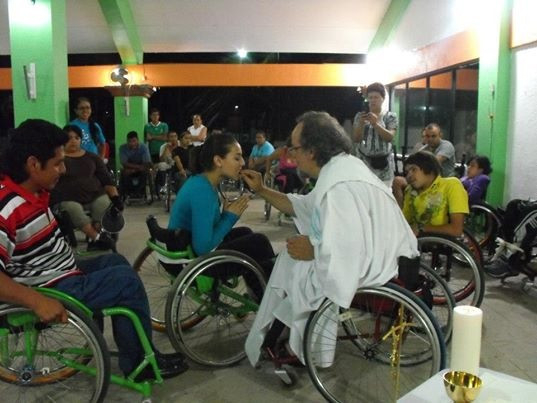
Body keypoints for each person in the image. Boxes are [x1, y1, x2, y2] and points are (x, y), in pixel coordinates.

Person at [0, 119, 187, 381]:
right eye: (57, 163)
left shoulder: (33, 191)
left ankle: (140, 353)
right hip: (48, 287)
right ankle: (139, 365)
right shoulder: (6, 209)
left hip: (60, 271)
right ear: (33, 164)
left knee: (116, 261)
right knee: (126, 282)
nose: (63, 169)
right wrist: (37, 301)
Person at [241, 111, 418, 366]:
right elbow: (301, 206)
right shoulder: (342, 168)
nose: (291, 154)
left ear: (312, 151)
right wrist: (261, 189)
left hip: (377, 266)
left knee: (295, 266)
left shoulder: (338, 185)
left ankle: (303, 347)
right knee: (289, 260)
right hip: (392, 257)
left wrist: (314, 250)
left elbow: (350, 245)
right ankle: (285, 334)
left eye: (294, 148)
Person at [168, 133, 276, 284]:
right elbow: (203, 248)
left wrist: (225, 215)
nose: (243, 163)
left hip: (187, 248)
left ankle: (260, 290)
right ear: (218, 161)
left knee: (246, 233)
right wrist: (229, 218)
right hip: (193, 264)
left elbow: (208, 227)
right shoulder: (203, 191)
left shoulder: (202, 182)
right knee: (260, 242)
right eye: (237, 158)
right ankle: (269, 293)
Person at [50, 125, 121, 251]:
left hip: (95, 195)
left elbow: (106, 179)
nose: (73, 141)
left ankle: (100, 235)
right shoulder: (57, 159)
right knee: (73, 209)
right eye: (69, 138)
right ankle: (97, 238)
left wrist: (116, 198)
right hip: (67, 199)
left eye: (77, 138)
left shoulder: (92, 157)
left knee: (103, 204)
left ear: (81, 140)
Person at [402, 151, 468, 237]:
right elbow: (404, 221)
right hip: (414, 240)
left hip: (440, 242)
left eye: (413, 169)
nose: (409, 176)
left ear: (429, 169)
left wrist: (422, 228)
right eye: (407, 172)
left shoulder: (451, 185)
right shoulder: (410, 190)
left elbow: (456, 230)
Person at [353, 82, 398, 187]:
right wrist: (361, 124)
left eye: (376, 97)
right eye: (370, 97)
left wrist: (376, 124)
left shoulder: (390, 116)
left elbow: (390, 137)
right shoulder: (360, 116)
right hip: (364, 163)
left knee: (383, 193)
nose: (373, 100)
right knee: (364, 191)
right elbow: (356, 139)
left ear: (383, 98)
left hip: (384, 166)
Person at [119, 131, 152, 198]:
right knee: (124, 173)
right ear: (127, 141)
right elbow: (124, 163)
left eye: (134, 141)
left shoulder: (144, 147)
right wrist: (137, 168)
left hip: (141, 168)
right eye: (130, 141)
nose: (132, 143)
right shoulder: (122, 148)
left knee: (145, 172)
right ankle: (128, 193)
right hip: (130, 168)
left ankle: (140, 192)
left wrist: (135, 169)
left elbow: (146, 162)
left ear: (138, 140)